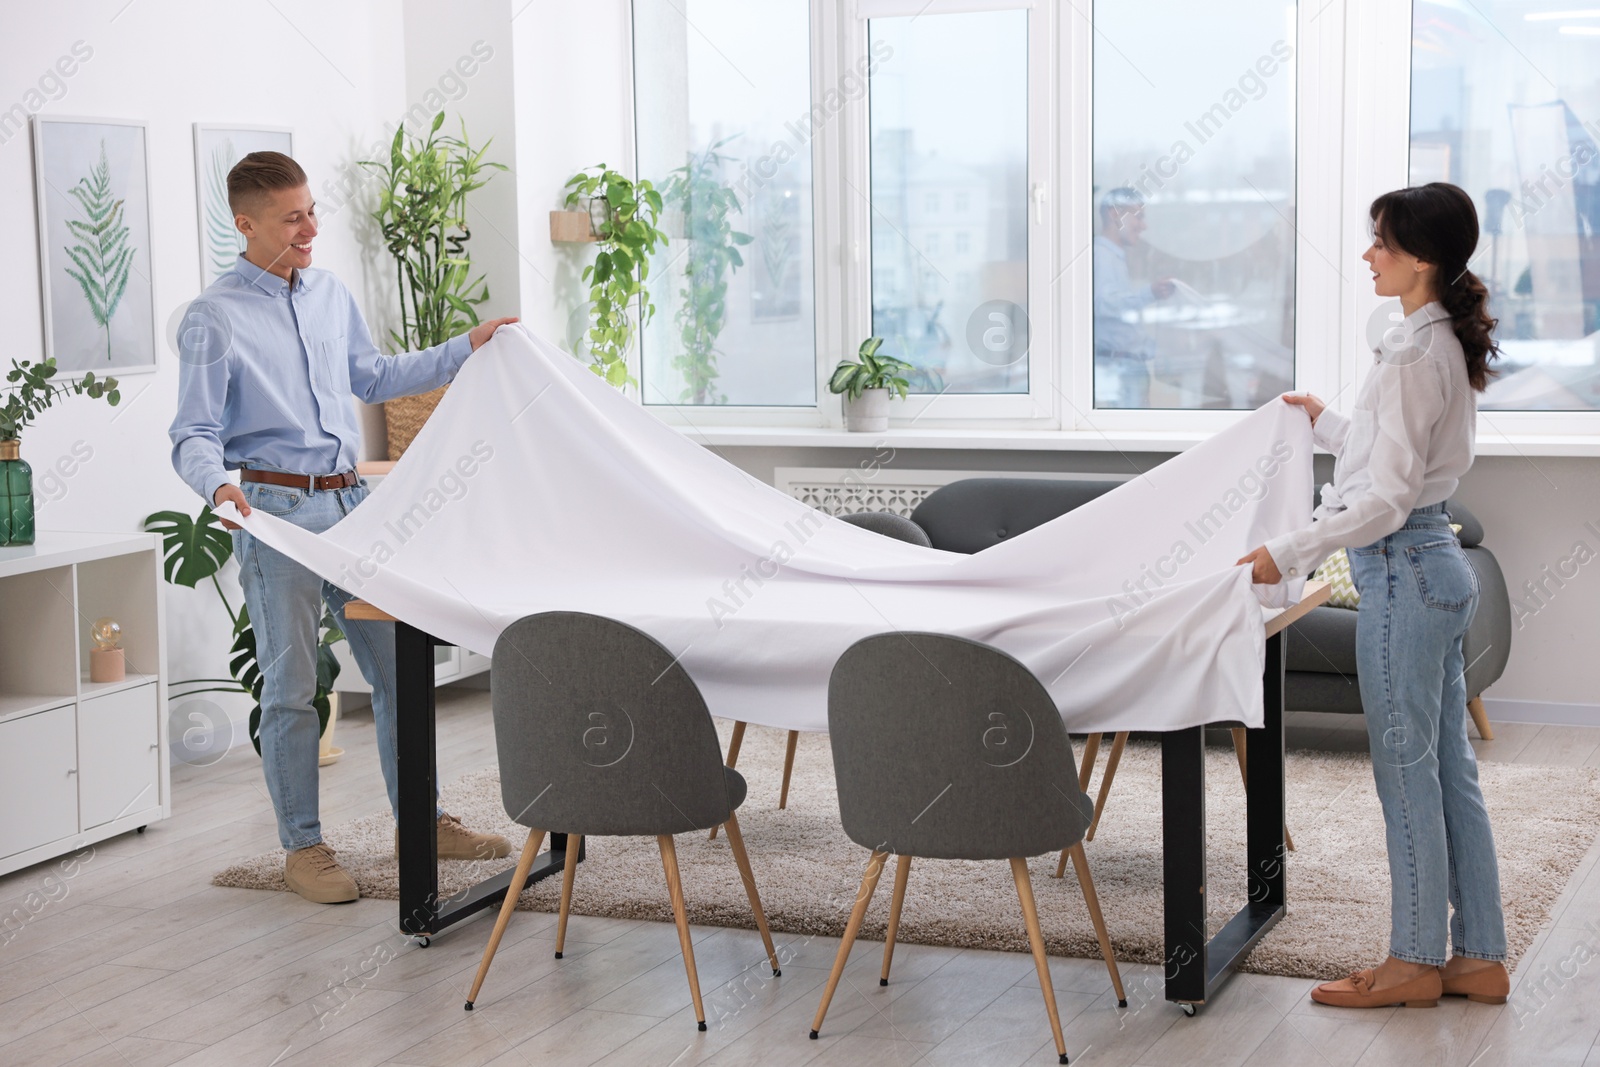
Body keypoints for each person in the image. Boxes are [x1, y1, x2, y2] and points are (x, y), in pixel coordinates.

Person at [170, 152, 520, 904]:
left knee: (401, 670)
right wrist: (219, 486)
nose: (311, 228)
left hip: (355, 505)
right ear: (247, 223)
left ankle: (420, 823)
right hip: (278, 516)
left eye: (311, 211)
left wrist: (469, 347)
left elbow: (373, 377)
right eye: (293, 216)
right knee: (294, 690)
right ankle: (304, 848)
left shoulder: (329, 294)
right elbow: (192, 432)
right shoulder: (213, 317)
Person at [1238, 182, 1508, 1008]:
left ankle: (1414, 960)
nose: (1367, 255)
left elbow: (1385, 500)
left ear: (1421, 258)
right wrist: (1325, 421)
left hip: (1402, 571)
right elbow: (1401, 459)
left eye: (1381, 244)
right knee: (1448, 770)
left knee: (1405, 776)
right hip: (1437, 569)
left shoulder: (1410, 355)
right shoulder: (1434, 343)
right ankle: (1479, 957)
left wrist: (1284, 551)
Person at [1093, 187, 1175, 408]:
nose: (1143, 225)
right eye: (1138, 216)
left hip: (1127, 369)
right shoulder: (1101, 255)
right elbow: (1103, 305)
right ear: (1114, 214)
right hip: (1118, 371)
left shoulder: (1114, 257)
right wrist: (1150, 294)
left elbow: (1120, 323)